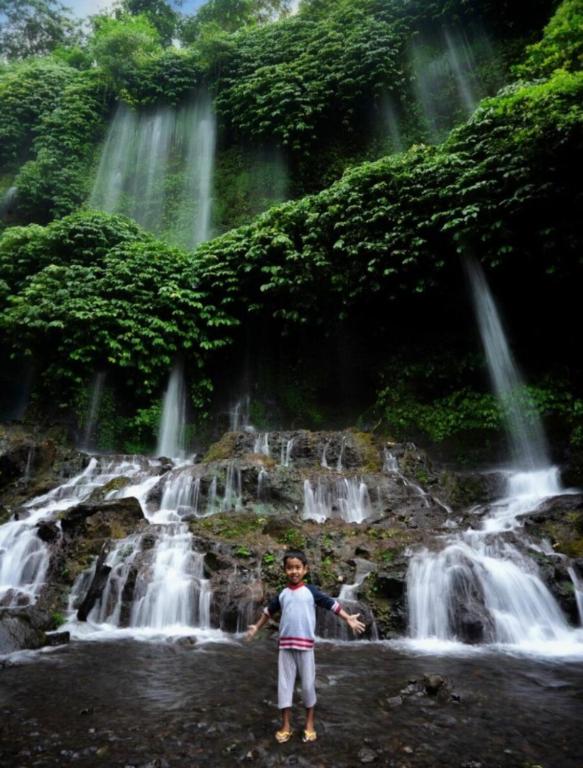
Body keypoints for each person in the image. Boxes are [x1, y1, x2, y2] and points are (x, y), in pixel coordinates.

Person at [245, 549, 365, 744]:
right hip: (285, 647)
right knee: (284, 686)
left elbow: (332, 605)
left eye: (298, 567)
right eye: (290, 568)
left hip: (306, 647)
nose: (294, 571)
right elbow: (268, 612)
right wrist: (256, 627)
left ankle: (309, 723)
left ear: (305, 569)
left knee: (308, 686)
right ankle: (286, 725)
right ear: (285, 571)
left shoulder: (311, 592)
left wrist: (348, 618)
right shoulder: (282, 594)